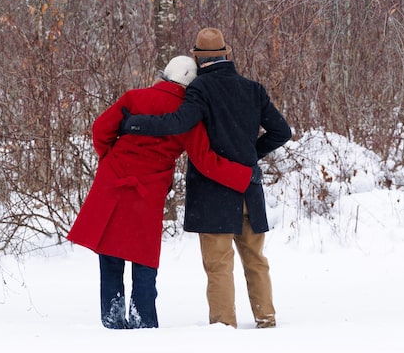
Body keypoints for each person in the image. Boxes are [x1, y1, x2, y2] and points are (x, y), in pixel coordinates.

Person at [120, 27, 292, 329]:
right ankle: (266, 318)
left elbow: (178, 122)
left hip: (214, 193)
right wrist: (250, 154)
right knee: (255, 259)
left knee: (218, 264)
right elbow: (282, 131)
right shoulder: (253, 89)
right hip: (249, 187)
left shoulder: (200, 89)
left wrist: (135, 124)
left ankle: (224, 325)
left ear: (198, 58)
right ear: (225, 54)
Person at [66, 55, 254, 329]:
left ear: (166, 74)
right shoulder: (187, 116)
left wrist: (109, 159)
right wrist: (244, 176)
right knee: (143, 258)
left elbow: (100, 130)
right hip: (148, 190)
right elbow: (206, 161)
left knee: (110, 255)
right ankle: (143, 321)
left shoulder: (134, 98)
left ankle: (112, 320)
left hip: (113, 181)